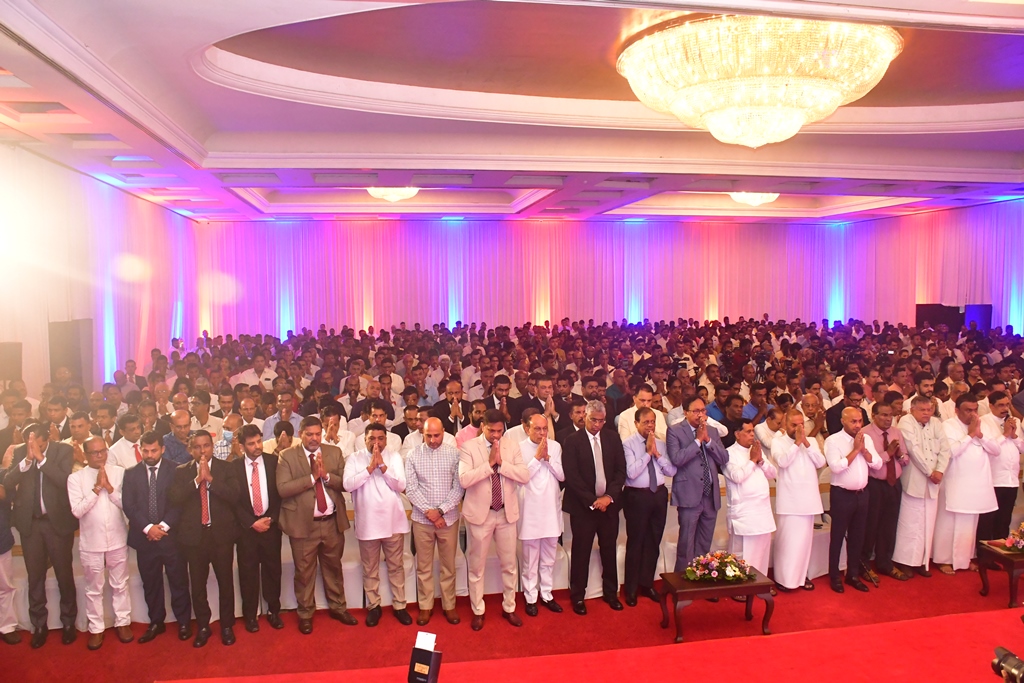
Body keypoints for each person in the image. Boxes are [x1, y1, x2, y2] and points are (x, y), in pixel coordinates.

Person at [277, 416, 358, 633]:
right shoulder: (287, 456)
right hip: (303, 526)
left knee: (333, 568)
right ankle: (305, 613)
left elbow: (346, 484)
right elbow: (283, 489)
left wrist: (326, 476)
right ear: (300, 434)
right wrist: (312, 478)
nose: (314, 438)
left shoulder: (334, 452)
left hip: (331, 522)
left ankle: (338, 607)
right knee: (304, 572)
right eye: (309, 434)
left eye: (317, 434)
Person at [4, 421, 78, 647]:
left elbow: (64, 480)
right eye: (31, 444)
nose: (35, 447)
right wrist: (27, 460)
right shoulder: (19, 452)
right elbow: (8, 481)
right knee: (35, 576)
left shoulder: (63, 450)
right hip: (31, 525)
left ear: (48, 439)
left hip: (57, 523)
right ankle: (39, 625)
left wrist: (41, 459)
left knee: (64, 574)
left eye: (40, 444)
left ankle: (68, 623)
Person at [458, 409, 530, 630]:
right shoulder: (469, 447)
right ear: (483, 426)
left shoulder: (512, 445)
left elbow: (524, 476)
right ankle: (478, 610)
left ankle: (509, 607)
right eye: (492, 431)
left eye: (500, 431)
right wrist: (489, 465)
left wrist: (502, 464)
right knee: (477, 567)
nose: (496, 435)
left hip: (506, 514)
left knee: (509, 565)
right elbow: (464, 480)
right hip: (481, 514)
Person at [169, 430, 241, 647]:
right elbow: (174, 498)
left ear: (213, 446)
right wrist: (196, 481)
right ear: (190, 449)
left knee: (225, 583)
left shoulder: (226, 468)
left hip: (221, 536)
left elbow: (234, 496)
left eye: (206, 446)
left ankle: (227, 626)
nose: (203, 451)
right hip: (194, 538)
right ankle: (203, 626)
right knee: (198, 586)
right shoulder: (181, 471)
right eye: (197, 447)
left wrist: (210, 480)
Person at [122, 430, 192, 643]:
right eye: (145, 450)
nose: (149, 455)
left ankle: (183, 622)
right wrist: (148, 528)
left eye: (153, 450)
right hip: (145, 539)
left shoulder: (176, 470)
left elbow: (179, 503)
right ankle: (156, 622)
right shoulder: (131, 473)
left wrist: (162, 527)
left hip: (171, 537)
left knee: (178, 581)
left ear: (162, 449)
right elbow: (129, 506)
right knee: (150, 583)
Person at [67, 436, 133, 649]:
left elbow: (128, 505)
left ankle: (123, 622)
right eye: (95, 453)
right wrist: (96, 489)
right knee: (94, 588)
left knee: (120, 584)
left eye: (103, 451)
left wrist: (110, 490)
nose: (100, 456)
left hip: (117, 538)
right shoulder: (76, 478)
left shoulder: (120, 473)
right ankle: (96, 628)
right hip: (91, 543)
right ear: (85, 455)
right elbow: (77, 511)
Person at [343, 424, 412, 627]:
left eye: (380, 438)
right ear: (364, 439)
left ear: (386, 440)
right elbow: (348, 485)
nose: (376, 442)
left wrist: (382, 467)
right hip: (368, 523)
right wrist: (369, 469)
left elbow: (401, 485)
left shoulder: (394, 457)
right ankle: (374, 606)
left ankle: (400, 605)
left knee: (396, 566)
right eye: (372, 438)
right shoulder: (354, 459)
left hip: (393, 521)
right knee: (370, 568)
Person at [562, 401, 627, 614]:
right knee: (581, 551)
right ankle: (578, 596)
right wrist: (593, 501)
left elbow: (620, 471)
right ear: (585, 418)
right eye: (593, 420)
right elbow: (572, 476)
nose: (597, 424)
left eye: (601, 421)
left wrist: (608, 498)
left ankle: (611, 593)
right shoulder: (572, 441)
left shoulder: (613, 438)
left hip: (609, 506)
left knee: (609, 549)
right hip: (583, 508)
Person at [405, 417, 463, 626]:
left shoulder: (454, 454)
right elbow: (411, 488)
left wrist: (440, 511)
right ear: (422, 433)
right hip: (422, 520)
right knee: (424, 566)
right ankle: (425, 606)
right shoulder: (412, 455)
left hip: (448, 519)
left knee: (448, 566)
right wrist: (430, 513)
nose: (432, 440)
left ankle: (449, 605)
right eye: (428, 435)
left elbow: (459, 487)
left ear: (444, 432)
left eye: (436, 435)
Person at [933, 395, 998, 573]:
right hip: (955, 483)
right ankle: (943, 560)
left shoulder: (981, 425)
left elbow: (996, 450)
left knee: (970, 525)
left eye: (975, 409)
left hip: (977, 485)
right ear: (956, 410)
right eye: (968, 410)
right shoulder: (948, 425)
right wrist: (970, 435)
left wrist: (980, 435)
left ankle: (964, 560)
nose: (973, 414)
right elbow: (951, 452)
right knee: (948, 524)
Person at [230, 423, 284, 632]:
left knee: (273, 570)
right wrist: (251, 522)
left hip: (270, 527)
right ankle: (250, 615)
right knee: (248, 573)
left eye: (259, 441)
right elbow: (233, 502)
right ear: (242, 446)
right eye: (251, 444)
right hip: (247, 530)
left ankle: (274, 611)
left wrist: (270, 519)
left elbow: (280, 495)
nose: (257, 446)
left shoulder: (274, 462)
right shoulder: (234, 467)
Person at [824, 407, 883, 593]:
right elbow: (836, 467)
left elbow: (878, 464)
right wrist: (856, 450)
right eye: (853, 421)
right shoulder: (833, 440)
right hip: (842, 495)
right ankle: (834, 576)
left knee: (858, 537)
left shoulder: (867, 439)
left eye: (860, 421)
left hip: (862, 494)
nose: (858, 425)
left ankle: (853, 575)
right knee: (838, 537)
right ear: (843, 421)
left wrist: (865, 451)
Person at [666, 396, 729, 571]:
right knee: (686, 542)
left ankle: (701, 576)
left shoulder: (712, 432)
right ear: (685, 412)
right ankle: (682, 580)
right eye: (696, 411)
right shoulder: (675, 431)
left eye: (703, 411)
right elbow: (677, 459)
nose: (700, 415)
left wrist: (708, 441)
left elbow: (724, 458)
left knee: (704, 541)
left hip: (710, 495)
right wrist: (697, 441)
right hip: (689, 495)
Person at [621, 407, 675, 606]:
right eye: (646, 422)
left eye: (653, 422)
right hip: (637, 496)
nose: (650, 426)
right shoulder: (628, 444)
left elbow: (671, 470)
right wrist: (647, 454)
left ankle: (647, 584)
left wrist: (658, 455)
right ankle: (631, 588)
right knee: (636, 542)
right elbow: (631, 473)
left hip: (658, 495)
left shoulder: (660, 443)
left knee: (653, 541)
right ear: (636, 423)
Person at [893, 395, 951, 577]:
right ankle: (904, 562)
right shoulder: (906, 421)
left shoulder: (936, 423)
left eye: (929, 409)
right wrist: (930, 472)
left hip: (934, 481)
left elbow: (945, 449)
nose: (927, 413)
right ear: (912, 410)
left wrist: (939, 470)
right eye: (922, 410)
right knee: (909, 523)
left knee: (928, 523)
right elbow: (913, 449)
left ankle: (921, 562)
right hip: (915, 480)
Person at [771, 410, 825, 592]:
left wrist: (806, 443)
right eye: (794, 425)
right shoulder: (778, 442)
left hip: (808, 500)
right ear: (785, 425)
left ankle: (800, 577)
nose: (798, 428)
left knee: (803, 543)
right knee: (788, 542)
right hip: (790, 501)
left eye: (801, 424)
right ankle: (783, 579)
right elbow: (782, 462)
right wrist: (797, 444)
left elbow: (820, 463)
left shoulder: (810, 442)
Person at [517, 413, 565, 616]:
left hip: (551, 510)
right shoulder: (518, 448)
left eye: (545, 428)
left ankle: (547, 594)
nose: (542, 433)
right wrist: (537, 458)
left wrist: (548, 458)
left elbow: (562, 476)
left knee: (548, 558)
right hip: (530, 511)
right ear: (527, 429)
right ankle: (530, 597)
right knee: (530, 560)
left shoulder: (555, 446)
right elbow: (522, 478)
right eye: (537, 429)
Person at [860, 401, 911, 582]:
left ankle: (885, 563)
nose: (888, 419)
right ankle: (864, 564)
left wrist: (899, 455)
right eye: (883, 415)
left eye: (890, 415)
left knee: (889, 525)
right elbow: (869, 462)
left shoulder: (896, 432)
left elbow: (905, 459)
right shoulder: (865, 434)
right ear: (873, 415)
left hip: (893, 483)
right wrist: (888, 453)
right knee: (870, 525)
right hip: (874, 484)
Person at [723, 420, 777, 578]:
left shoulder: (757, 451)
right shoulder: (728, 453)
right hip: (743, 515)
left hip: (762, 513)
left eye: (753, 431)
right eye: (748, 431)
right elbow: (737, 476)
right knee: (741, 558)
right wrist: (752, 460)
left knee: (761, 555)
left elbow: (773, 474)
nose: (752, 434)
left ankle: (760, 584)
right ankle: (741, 587)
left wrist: (761, 460)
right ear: (737, 434)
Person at [978, 391, 1024, 540]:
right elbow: (991, 448)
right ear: (991, 406)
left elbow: (1022, 448)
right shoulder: (984, 422)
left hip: (1011, 480)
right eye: (1001, 405)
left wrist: (1014, 435)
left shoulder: (1014, 421)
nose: (1005, 408)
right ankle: (985, 552)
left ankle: (1002, 549)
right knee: (988, 521)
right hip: (994, 480)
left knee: (1005, 520)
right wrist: (1005, 434)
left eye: (1007, 405)